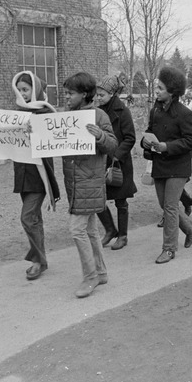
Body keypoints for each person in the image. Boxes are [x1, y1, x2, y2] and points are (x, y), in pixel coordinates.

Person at [60, 72, 118, 298]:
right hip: (74, 182)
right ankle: (101, 272)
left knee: (77, 230)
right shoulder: (68, 116)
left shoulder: (99, 115)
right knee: (91, 230)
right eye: (65, 93)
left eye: (70, 93)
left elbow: (113, 145)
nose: (66, 97)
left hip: (89, 182)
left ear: (84, 94)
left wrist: (100, 136)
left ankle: (90, 276)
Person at [5, 71, 61, 282]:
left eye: (26, 89)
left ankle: (38, 261)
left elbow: (51, 138)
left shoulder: (46, 112)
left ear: (35, 90)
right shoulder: (17, 113)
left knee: (27, 217)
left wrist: (34, 131)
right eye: (19, 90)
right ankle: (41, 259)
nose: (22, 93)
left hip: (39, 174)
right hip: (23, 173)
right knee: (35, 218)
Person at [140, 67, 192, 263]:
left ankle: (169, 249)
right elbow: (149, 131)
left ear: (172, 91)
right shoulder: (155, 110)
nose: (156, 91)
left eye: (160, 88)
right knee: (165, 205)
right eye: (157, 87)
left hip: (178, 166)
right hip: (160, 165)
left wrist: (167, 146)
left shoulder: (184, 113)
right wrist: (146, 143)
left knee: (171, 206)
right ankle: (189, 228)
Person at [93, 75, 137, 251]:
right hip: (101, 161)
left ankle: (123, 235)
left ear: (111, 93)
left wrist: (117, 155)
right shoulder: (97, 111)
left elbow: (130, 137)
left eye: (101, 95)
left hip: (119, 163)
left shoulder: (123, 111)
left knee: (121, 201)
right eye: (97, 94)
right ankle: (110, 229)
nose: (98, 98)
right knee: (97, 199)